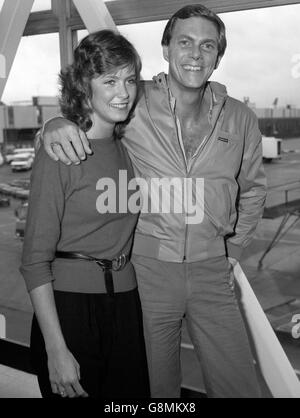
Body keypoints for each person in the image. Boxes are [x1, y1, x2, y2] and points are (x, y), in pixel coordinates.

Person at [41, 4, 267, 398]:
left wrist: (232, 250)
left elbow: (254, 189)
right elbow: (83, 115)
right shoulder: (135, 100)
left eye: (208, 45)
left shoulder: (240, 118)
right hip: (147, 273)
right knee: (157, 391)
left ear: (218, 55)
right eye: (185, 42)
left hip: (213, 271)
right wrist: (53, 124)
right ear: (166, 48)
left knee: (239, 387)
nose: (195, 54)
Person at [20, 29, 150, 399]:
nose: (123, 92)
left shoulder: (126, 148)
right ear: (83, 85)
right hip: (71, 309)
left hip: (125, 304)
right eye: (109, 80)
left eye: (129, 79)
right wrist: (56, 349)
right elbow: (33, 261)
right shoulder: (61, 151)